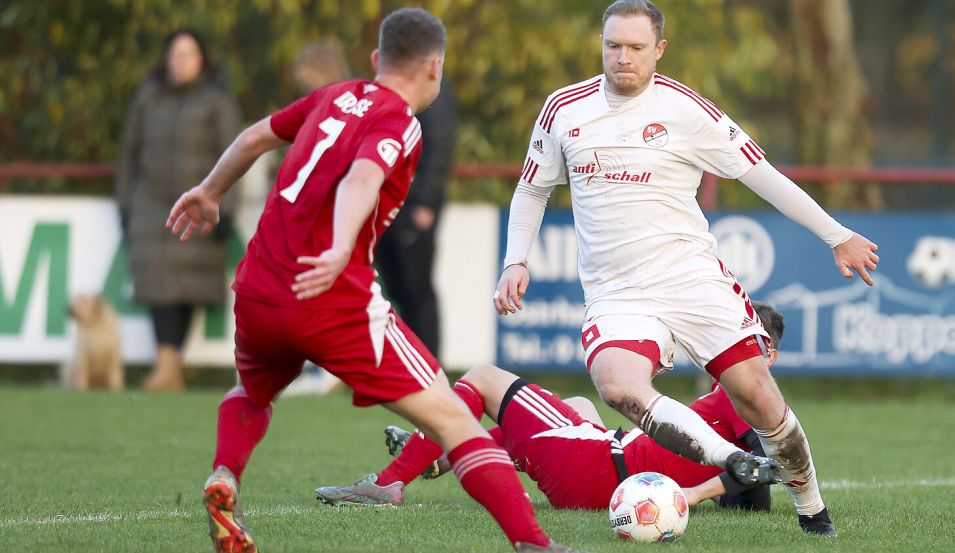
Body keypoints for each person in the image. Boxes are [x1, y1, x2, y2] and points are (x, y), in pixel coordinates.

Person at [165, 8, 584, 553]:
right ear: (434, 67)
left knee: (252, 391)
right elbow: (363, 177)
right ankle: (535, 545)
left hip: (260, 286)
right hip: (332, 297)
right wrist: (341, 246)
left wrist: (209, 191)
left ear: (374, 60)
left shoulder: (332, 96)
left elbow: (252, 138)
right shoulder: (400, 120)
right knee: (456, 421)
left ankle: (225, 474)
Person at [493, 0, 879, 536]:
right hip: (617, 291)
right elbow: (533, 187)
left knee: (758, 397)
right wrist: (516, 260)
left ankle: (812, 509)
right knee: (616, 384)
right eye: (612, 46)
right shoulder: (564, 109)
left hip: (692, 278)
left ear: (659, 50)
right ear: (601, 44)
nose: (621, 58)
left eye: (634, 48)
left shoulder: (685, 109)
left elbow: (761, 176)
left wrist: (837, 236)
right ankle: (732, 459)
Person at [312, 302, 787, 514]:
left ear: (766, 355)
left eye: (747, 342)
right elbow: (752, 476)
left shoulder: (737, 396)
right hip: (608, 478)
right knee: (578, 404)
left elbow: (754, 467)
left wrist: (696, 496)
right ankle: (441, 455)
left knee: (480, 377)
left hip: (594, 466)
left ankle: (391, 482)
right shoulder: (738, 411)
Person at [116, 29, 242, 391]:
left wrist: (225, 207)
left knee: (187, 287)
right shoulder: (148, 99)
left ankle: (169, 368)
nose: (180, 61)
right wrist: (125, 204)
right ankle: (166, 366)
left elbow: (235, 157)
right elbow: (129, 154)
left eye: (188, 54)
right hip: (151, 205)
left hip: (199, 206)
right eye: (175, 54)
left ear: (202, 59)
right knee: (158, 286)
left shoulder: (217, 102)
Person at [375, 82, 458, 356]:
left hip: (413, 205)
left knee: (417, 289)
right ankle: (414, 364)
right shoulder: (407, 84)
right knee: (400, 290)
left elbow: (440, 143)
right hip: (394, 201)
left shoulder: (433, 89)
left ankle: (430, 367)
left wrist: (425, 201)